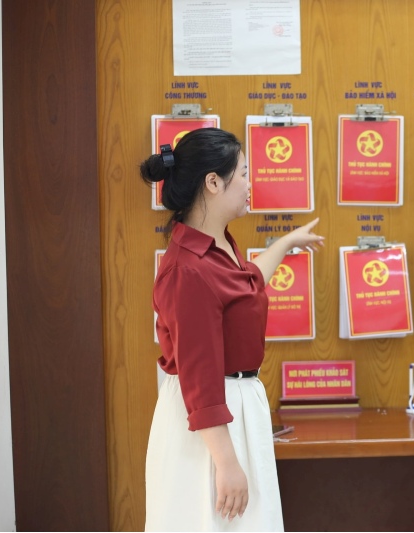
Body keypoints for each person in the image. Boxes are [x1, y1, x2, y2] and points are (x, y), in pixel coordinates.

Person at [140, 127, 324, 532]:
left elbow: (248, 284)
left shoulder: (218, 244)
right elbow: (199, 376)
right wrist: (225, 463)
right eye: (242, 173)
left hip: (233, 412)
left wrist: (287, 243)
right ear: (212, 183)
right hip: (209, 427)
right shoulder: (187, 270)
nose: (249, 183)